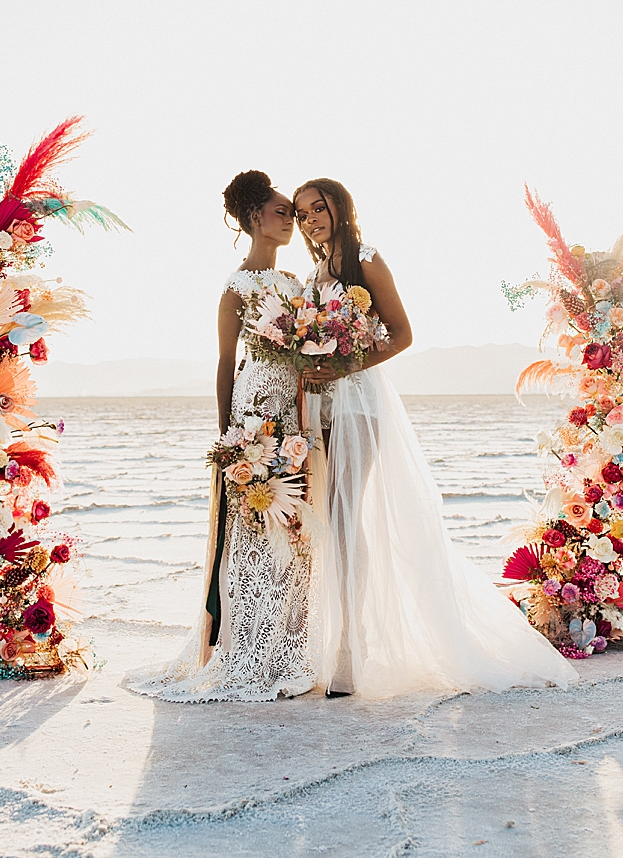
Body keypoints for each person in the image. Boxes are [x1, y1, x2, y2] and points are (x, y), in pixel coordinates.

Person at [292, 178, 578, 698]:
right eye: (301, 213)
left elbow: (403, 335)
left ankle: (351, 650)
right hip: (320, 406)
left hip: (357, 401)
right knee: (331, 519)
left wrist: (344, 366)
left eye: (318, 208)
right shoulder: (315, 273)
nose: (310, 220)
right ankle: (332, 640)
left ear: (340, 207)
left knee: (344, 517)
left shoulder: (367, 260)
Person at [124, 170, 316, 702]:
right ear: (255, 217)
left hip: (292, 413)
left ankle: (287, 648)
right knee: (252, 529)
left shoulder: (296, 283)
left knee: (292, 529)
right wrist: (229, 436)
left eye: (293, 214)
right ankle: (243, 646)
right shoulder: (236, 287)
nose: (292, 221)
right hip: (253, 414)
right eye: (282, 211)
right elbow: (225, 362)